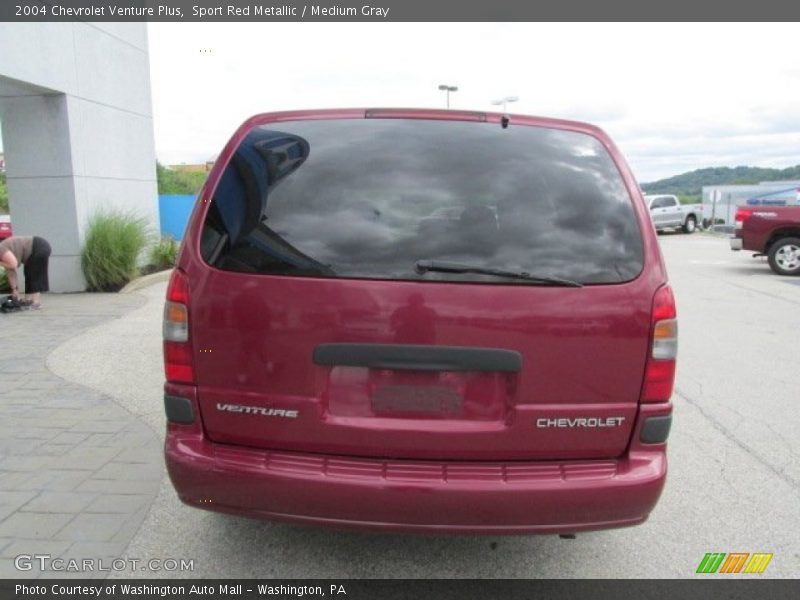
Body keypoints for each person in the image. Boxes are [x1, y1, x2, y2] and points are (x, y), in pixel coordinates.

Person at [0, 235, 52, 310]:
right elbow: (11, 271)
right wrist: (14, 289)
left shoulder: (0, 249)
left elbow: (13, 264)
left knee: (33, 274)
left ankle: (35, 303)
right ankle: (27, 301)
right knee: (28, 274)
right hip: (35, 249)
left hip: (38, 246)